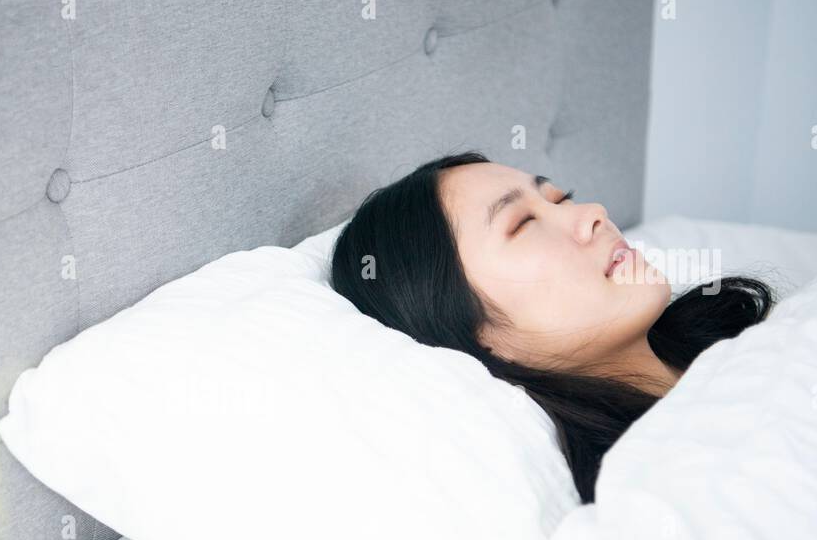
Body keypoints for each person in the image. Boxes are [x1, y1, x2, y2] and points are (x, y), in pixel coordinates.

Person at [330, 151, 774, 503]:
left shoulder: (759, 338)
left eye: (561, 199)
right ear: (468, 335)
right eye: (523, 225)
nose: (594, 213)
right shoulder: (649, 491)